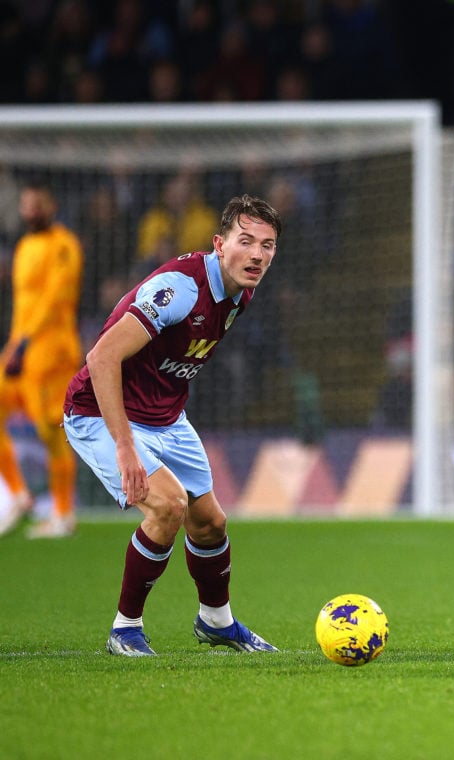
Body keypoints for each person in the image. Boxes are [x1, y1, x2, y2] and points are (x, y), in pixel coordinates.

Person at [63, 194, 281, 657]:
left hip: (164, 415)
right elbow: (101, 358)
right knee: (167, 506)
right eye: (246, 241)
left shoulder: (243, 292)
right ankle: (125, 629)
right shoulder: (179, 289)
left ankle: (216, 623)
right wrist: (124, 449)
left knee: (211, 524)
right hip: (101, 412)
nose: (258, 254)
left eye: (268, 245)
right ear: (219, 244)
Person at [0, 184, 83, 539]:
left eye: (37, 204)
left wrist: (26, 342)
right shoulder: (24, 246)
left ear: (52, 206)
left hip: (51, 353)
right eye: (26, 204)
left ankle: (63, 515)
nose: (30, 210)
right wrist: (15, 346)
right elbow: (24, 304)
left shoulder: (64, 245)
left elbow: (55, 300)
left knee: (52, 433)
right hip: (20, 351)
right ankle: (19, 496)